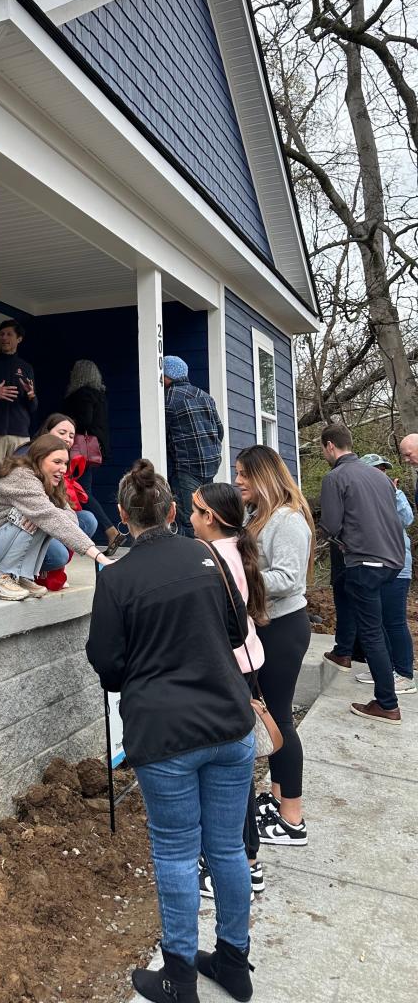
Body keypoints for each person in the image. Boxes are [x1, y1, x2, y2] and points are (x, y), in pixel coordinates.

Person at [88, 460, 256, 1003]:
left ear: (122, 516)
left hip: (165, 738)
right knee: (228, 849)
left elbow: (109, 666)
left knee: (178, 854)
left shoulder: (116, 578)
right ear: (174, 511)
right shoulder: (208, 557)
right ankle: (233, 960)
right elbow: (236, 629)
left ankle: (180, 976)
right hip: (230, 724)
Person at [191, 482, 270, 901]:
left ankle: (245, 862)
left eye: (195, 510)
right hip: (246, 663)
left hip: (228, 671)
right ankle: (246, 856)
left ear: (211, 519)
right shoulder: (236, 549)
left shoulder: (212, 559)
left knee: (229, 774)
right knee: (235, 769)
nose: (189, 518)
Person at [235, 445, 313, 847]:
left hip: (283, 629)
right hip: (269, 626)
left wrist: (238, 581)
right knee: (274, 714)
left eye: (244, 474)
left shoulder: (287, 520)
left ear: (263, 476)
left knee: (280, 719)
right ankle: (280, 799)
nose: (238, 481)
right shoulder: (260, 516)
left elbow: (289, 578)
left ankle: (293, 821)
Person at [319, 424, 406, 723]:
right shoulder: (379, 477)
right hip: (393, 561)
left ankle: (387, 703)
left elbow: (330, 525)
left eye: (323, 449)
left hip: (365, 563)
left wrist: (337, 542)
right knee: (377, 627)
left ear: (330, 446)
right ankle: (386, 691)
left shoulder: (336, 477)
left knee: (371, 634)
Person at [0, 434, 102, 601]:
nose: (63, 469)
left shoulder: (49, 479)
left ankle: (21, 576)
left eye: (65, 463)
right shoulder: (20, 476)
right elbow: (48, 515)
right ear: (39, 459)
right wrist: (98, 556)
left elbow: (72, 518)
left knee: (45, 517)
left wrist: (52, 511)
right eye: (57, 462)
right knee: (36, 516)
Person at [351, 454, 415, 695]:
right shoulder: (365, 498)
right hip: (374, 565)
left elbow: (407, 519)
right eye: (376, 470)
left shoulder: (395, 496)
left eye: (383, 470)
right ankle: (385, 669)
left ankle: (405, 674)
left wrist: (395, 494)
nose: (382, 474)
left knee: (394, 621)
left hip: (397, 566)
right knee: (377, 622)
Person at [14, 413, 100, 589]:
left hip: (47, 520)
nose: (67, 439)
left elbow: (61, 503)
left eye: (71, 435)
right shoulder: (27, 454)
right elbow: (36, 507)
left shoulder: (60, 461)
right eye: (62, 432)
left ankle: (50, 572)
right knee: (58, 555)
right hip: (22, 523)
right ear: (47, 431)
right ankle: (27, 570)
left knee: (87, 520)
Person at [62, 359, 121, 550]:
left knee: (82, 491)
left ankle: (110, 530)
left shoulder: (83, 394)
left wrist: (65, 423)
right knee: (82, 490)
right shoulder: (100, 394)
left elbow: (84, 420)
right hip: (93, 450)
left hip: (80, 451)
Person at [162, 355, 224, 535]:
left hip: (186, 467)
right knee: (206, 512)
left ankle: (192, 558)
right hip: (210, 464)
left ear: (167, 376)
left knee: (189, 518)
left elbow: (162, 435)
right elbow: (219, 431)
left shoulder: (168, 399)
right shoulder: (205, 396)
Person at [0, 319, 38, 470]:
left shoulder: (26, 368)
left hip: (20, 435)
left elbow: (33, 407)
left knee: (19, 478)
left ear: (19, 339)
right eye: (2, 334)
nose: (4, 338)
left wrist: (31, 395)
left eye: (9, 334)